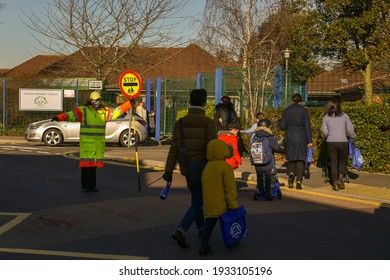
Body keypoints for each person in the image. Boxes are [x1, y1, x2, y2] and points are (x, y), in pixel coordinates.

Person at [162, 88, 217, 248]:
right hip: (204, 167)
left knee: (196, 199)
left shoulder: (180, 123)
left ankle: (200, 228)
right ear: (205, 103)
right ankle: (181, 229)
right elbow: (212, 148)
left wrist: (168, 171)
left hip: (187, 168)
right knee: (198, 202)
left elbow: (174, 149)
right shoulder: (208, 123)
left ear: (189, 102)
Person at [52, 91, 131, 192]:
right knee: (86, 167)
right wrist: (59, 117)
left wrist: (128, 104)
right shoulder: (84, 111)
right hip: (87, 145)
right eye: (95, 100)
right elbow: (71, 115)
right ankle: (85, 186)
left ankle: (92, 186)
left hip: (98, 145)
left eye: (98, 100)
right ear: (91, 101)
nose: (97, 102)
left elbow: (116, 112)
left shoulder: (104, 112)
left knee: (94, 167)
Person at [199, 139, 238, 255]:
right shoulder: (225, 167)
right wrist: (233, 204)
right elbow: (230, 188)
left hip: (209, 202)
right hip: (223, 202)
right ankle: (231, 240)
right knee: (229, 223)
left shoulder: (207, 167)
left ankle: (203, 244)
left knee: (209, 223)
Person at [278, 93, 312, 190]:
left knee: (292, 157)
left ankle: (291, 175)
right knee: (301, 159)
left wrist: (279, 122)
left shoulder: (287, 111)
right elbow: (307, 127)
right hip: (302, 136)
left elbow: (283, 126)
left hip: (290, 136)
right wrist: (309, 140)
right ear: (300, 101)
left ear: (292, 101)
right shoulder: (304, 111)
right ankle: (298, 181)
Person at [321, 98, 355, 191]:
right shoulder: (345, 116)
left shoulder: (326, 117)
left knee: (333, 163)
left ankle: (334, 183)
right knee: (342, 162)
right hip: (343, 141)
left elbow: (324, 130)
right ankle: (341, 179)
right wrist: (352, 136)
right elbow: (350, 130)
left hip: (331, 142)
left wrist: (329, 135)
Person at [250, 119, 284, 201]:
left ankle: (261, 192)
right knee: (268, 176)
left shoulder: (255, 136)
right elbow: (276, 147)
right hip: (267, 161)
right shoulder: (269, 137)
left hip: (257, 161)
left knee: (260, 176)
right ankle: (267, 192)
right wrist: (284, 150)